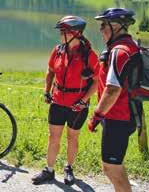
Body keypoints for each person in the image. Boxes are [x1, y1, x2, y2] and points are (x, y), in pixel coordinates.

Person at [32, 15, 99, 186]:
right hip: (57, 102)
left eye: (64, 31)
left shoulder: (89, 56)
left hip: (77, 105)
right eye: (61, 31)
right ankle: (49, 170)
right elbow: (50, 72)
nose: (61, 34)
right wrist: (47, 91)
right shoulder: (58, 50)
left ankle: (69, 168)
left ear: (76, 33)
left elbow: (97, 82)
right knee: (53, 137)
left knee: (72, 138)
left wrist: (84, 101)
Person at [88, 8, 140, 192]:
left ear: (116, 26)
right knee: (112, 166)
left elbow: (112, 89)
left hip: (117, 117)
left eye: (104, 25)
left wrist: (96, 115)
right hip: (123, 114)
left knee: (111, 168)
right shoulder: (129, 45)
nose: (101, 30)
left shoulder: (120, 51)